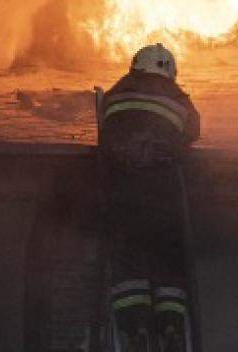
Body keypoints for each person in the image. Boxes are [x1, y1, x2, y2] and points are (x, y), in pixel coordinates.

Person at [99, 43, 200, 352]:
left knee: (128, 260)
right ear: (169, 71)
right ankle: (170, 328)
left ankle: (134, 328)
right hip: (162, 193)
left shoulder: (115, 92)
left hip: (122, 192)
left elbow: (107, 130)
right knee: (168, 257)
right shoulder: (176, 96)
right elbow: (193, 131)